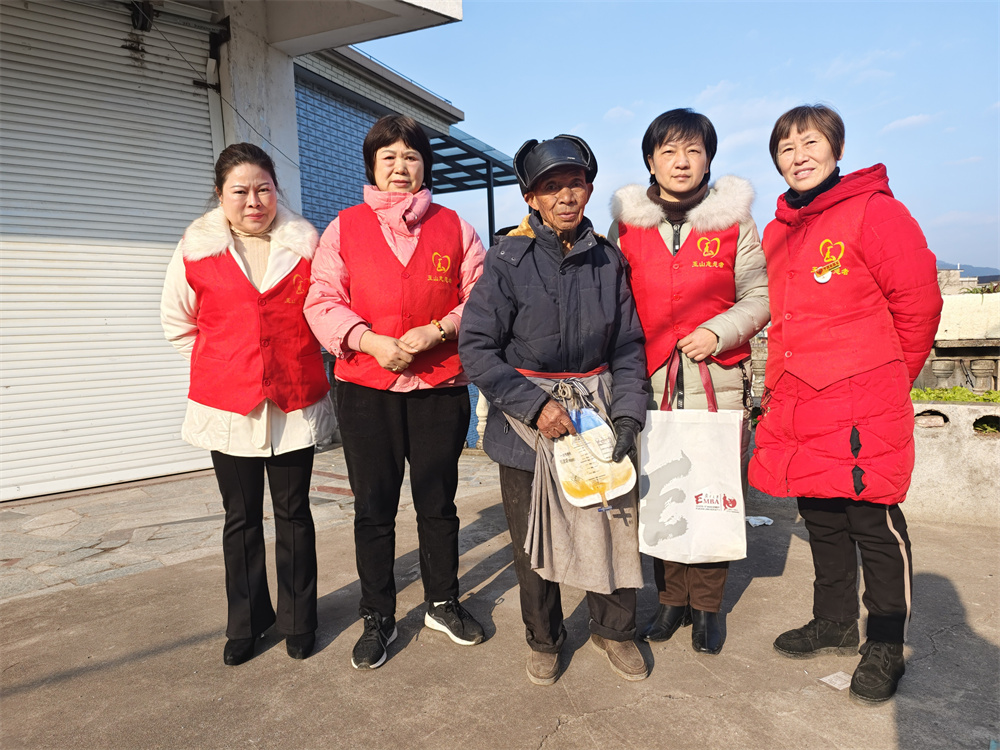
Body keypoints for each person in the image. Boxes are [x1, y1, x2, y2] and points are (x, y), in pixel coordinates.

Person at [749, 104, 942, 703]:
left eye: (810, 143)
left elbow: (919, 305)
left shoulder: (874, 211)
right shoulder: (779, 230)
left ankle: (885, 641)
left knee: (872, 520)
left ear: (836, 149)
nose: (798, 155)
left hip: (863, 401)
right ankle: (833, 621)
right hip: (801, 400)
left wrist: (888, 379)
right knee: (822, 518)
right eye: (786, 147)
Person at [459, 135, 650, 685]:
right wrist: (535, 405)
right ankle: (544, 638)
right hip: (527, 421)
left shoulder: (608, 261)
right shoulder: (505, 261)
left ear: (589, 188)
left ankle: (614, 631)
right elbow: (476, 347)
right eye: (551, 186)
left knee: (611, 525)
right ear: (531, 197)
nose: (566, 195)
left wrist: (630, 413)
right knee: (531, 538)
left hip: (598, 412)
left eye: (575, 183)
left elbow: (629, 346)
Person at [304, 114, 486, 670]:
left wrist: (437, 331)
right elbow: (321, 300)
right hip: (367, 389)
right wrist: (369, 341)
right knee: (374, 511)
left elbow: (480, 297)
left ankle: (441, 600)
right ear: (373, 168)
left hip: (439, 387)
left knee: (438, 503)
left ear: (424, 164)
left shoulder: (455, 227)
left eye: (410, 156)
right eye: (389, 158)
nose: (401, 168)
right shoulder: (343, 228)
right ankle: (378, 613)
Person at [161, 143, 333, 666]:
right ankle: (247, 623)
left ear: (276, 191)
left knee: (294, 515)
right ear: (221, 195)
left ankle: (299, 619)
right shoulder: (195, 249)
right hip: (226, 409)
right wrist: (228, 364)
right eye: (240, 190)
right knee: (240, 519)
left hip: (292, 406)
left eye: (263, 188)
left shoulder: (307, 246)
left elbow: (325, 314)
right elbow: (178, 322)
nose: (253, 200)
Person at [609, 108, 769, 655]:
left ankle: (706, 608)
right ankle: (670, 600)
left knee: (714, 494)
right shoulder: (627, 224)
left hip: (715, 380)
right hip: (647, 382)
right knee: (660, 494)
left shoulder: (735, 222)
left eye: (693, 150)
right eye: (669, 151)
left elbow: (759, 296)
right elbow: (612, 301)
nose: (682, 161)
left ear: (709, 160)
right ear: (650, 160)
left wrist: (718, 332)